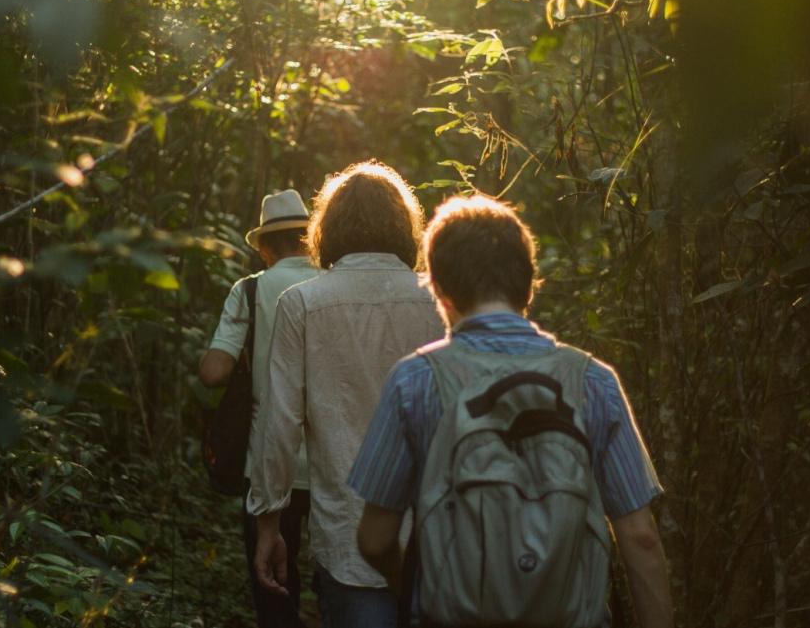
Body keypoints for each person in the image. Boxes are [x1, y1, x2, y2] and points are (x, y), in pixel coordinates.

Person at [349, 195, 674, 628]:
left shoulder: (415, 381)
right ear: (530, 286)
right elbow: (641, 538)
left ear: (440, 291)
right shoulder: (593, 382)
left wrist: (413, 583)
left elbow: (374, 540)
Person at [247, 161, 445, 628]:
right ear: (405, 226)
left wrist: (268, 522)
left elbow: (279, 423)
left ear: (327, 229)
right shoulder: (440, 300)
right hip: (438, 538)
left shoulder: (302, 303)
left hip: (348, 538)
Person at [200, 189, 320, 628]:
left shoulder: (250, 290)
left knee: (273, 585)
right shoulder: (334, 285)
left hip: (267, 462)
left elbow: (214, 372)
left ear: (266, 247)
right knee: (338, 582)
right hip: (331, 462)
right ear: (310, 239)